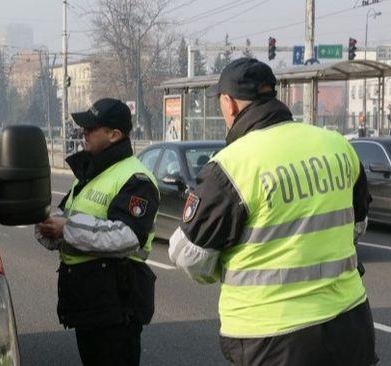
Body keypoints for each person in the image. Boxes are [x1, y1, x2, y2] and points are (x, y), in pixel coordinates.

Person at [168, 58, 377, 366]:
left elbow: (187, 255)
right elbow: (357, 226)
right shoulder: (338, 146)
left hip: (272, 337)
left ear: (230, 104)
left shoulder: (231, 166)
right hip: (350, 324)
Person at [36, 98, 160, 366]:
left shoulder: (135, 178)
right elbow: (67, 216)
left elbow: (127, 236)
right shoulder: (93, 173)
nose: (84, 133)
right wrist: (49, 226)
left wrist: (67, 228)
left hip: (116, 307)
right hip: (91, 303)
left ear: (114, 135)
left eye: (92, 129)